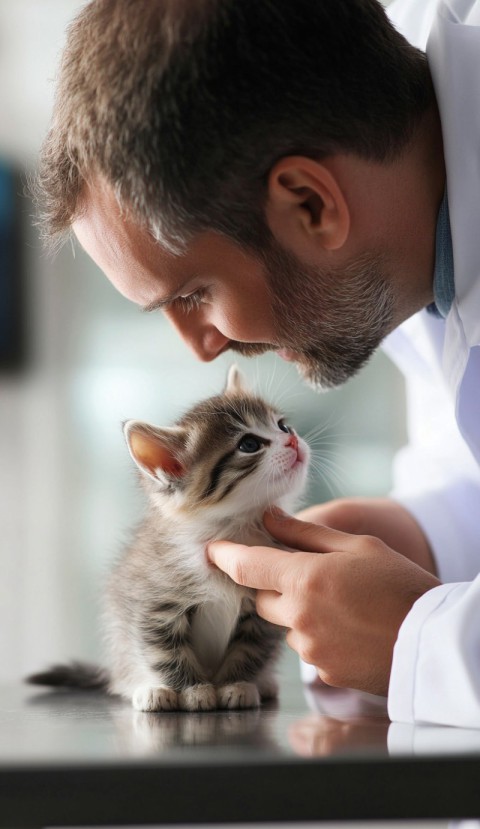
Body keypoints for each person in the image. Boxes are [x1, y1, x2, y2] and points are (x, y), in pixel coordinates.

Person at [34, 0, 480, 728]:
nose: (200, 347)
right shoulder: (406, 230)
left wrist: (419, 639)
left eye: (193, 294)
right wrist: (414, 534)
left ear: (309, 205)